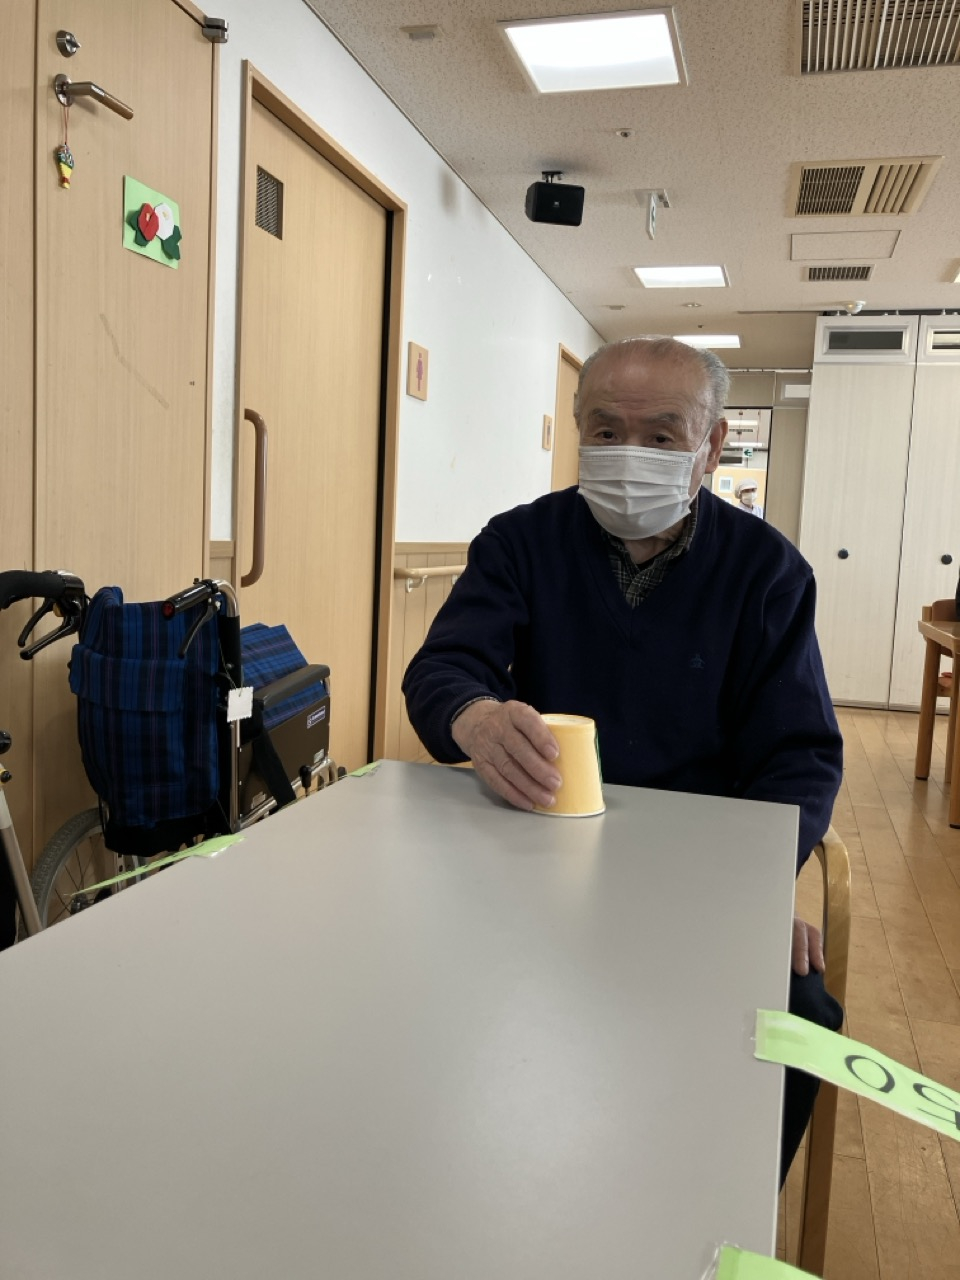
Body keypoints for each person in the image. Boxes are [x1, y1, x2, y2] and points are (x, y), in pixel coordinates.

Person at [402, 336, 844, 1185]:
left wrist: (760, 884)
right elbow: (442, 668)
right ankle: (476, 1168)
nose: (628, 454)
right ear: (577, 430)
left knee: (798, 1015)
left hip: (698, 876)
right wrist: (475, 717)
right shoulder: (520, 543)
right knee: (419, 973)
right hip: (534, 852)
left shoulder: (767, 572)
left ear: (712, 445)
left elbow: (801, 755)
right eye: (605, 431)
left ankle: (714, 1200)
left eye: (662, 436)